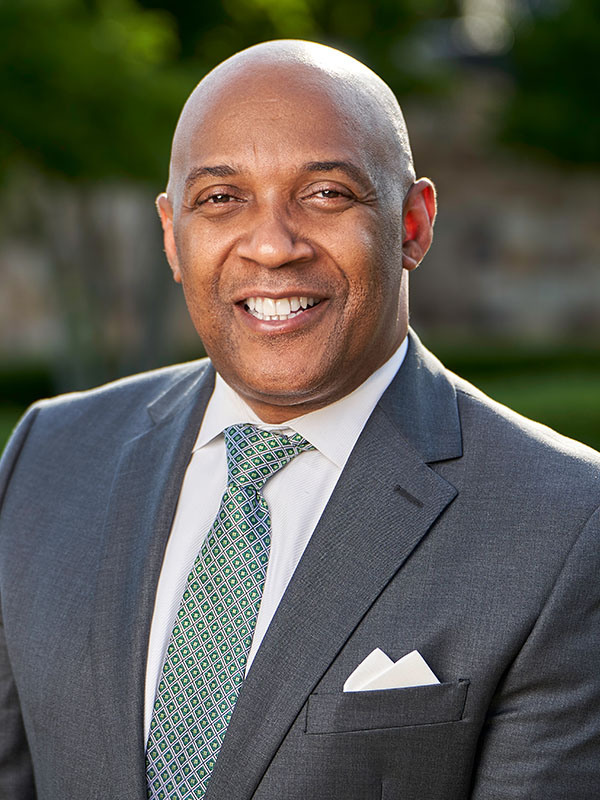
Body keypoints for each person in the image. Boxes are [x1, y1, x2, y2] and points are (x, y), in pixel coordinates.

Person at [0, 39, 598, 800]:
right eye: (222, 198)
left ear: (412, 224)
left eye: (325, 194)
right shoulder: (48, 458)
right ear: (171, 235)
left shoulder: (565, 523)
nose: (273, 245)